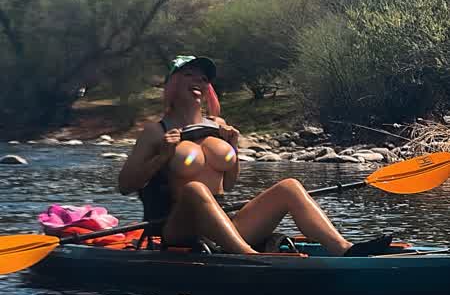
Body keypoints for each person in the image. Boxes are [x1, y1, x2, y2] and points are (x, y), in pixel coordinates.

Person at [118, 55, 392, 256]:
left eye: (203, 78)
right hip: (178, 228)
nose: (199, 81)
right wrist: (162, 156)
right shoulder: (155, 132)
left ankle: (344, 249)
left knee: (290, 186)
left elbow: (229, 185)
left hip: (223, 224)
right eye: (189, 74)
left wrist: (234, 148)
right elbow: (125, 185)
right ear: (173, 82)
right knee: (195, 189)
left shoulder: (219, 126)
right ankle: (249, 257)